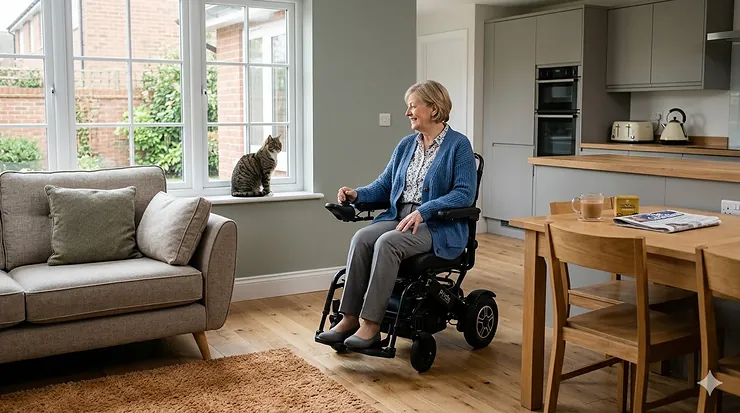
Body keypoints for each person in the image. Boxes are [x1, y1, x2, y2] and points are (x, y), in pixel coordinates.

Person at [317, 80, 477, 350]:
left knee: (387, 242)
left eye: (413, 106)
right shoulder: (406, 145)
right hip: (399, 215)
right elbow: (385, 185)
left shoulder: (458, 145)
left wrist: (424, 212)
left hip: (439, 225)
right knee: (362, 238)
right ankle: (350, 318)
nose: (408, 113)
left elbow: (464, 193)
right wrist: (357, 194)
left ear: (434, 109)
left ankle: (371, 326)